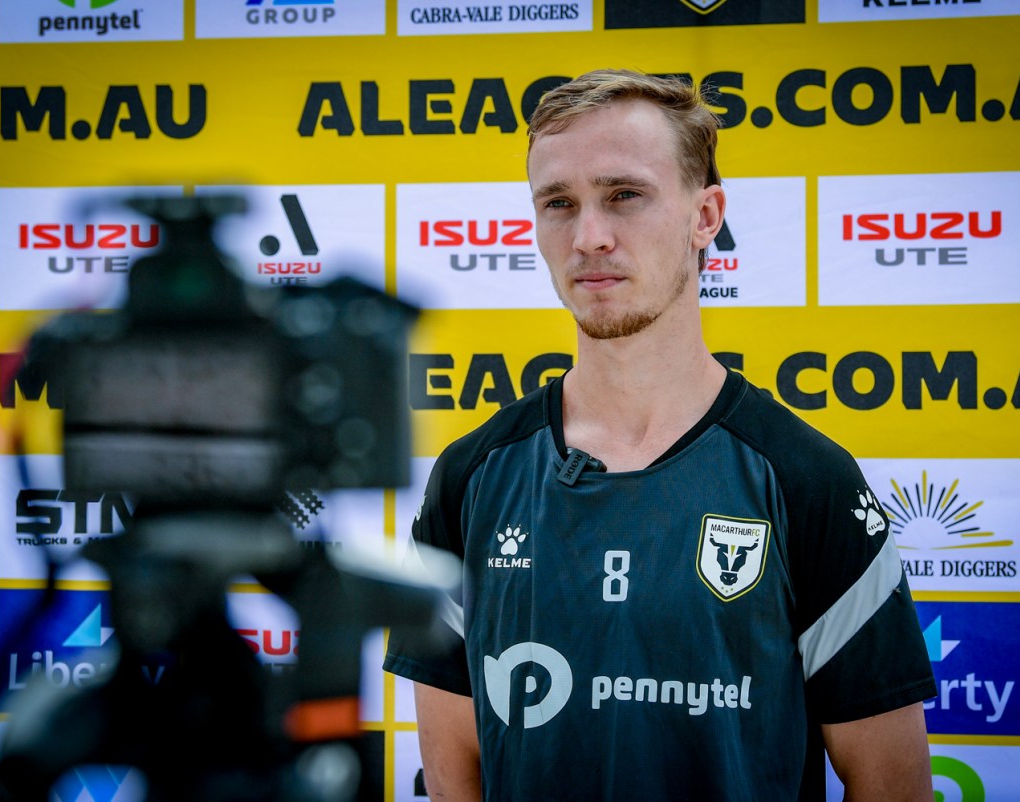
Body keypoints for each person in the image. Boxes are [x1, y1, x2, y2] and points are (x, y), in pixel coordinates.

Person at [384, 69, 936, 801]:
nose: (589, 237)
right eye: (558, 204)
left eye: (625, 195)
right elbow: (458, 780)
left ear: (705, 216)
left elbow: (892, 785)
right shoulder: (471, 476)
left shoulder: (809, 479)